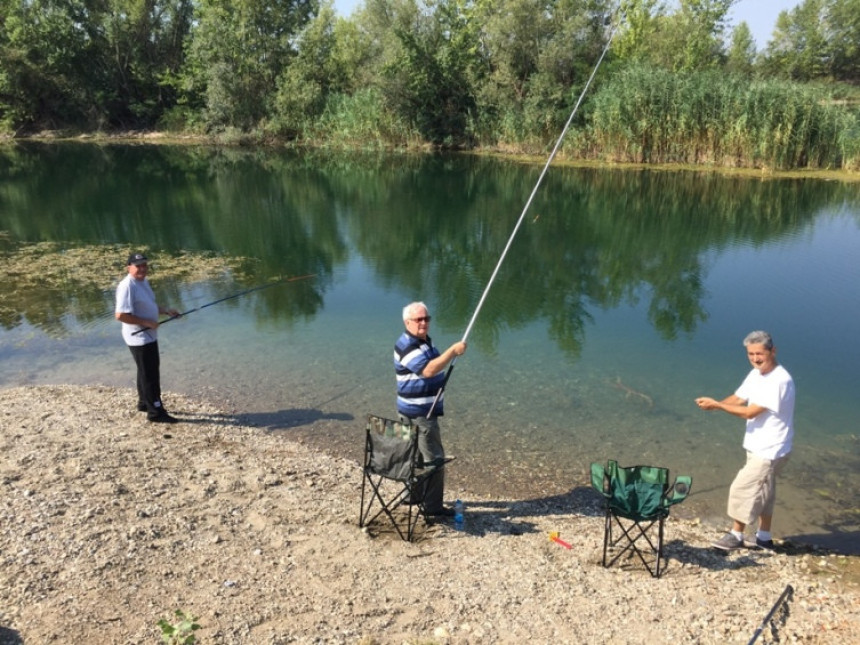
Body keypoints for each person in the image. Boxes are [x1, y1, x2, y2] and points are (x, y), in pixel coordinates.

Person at [696, 330, 795, 551]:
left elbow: (751, 412)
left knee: (742, 488)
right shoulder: (756, 374)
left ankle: (736, 535)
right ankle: (764, 538)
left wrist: (718, 406)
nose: (755, 358)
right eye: (751, 354)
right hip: (761, 446)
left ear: (773, 351)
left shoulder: (779, 381)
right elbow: (740, 398)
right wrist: (715, 404)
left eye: (760, 353)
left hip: (770, 450)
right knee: (764, 492)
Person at [394, 301, 467, 518]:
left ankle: (413, 495)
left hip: (413, 410)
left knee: (414, 455)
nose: (424, 323)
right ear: (407, 322)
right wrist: (452, 351)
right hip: (419, 414)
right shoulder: (407, 344)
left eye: (426, 318)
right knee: (434, 459)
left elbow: (432, 365)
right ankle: (433, 507)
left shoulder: (422, 342)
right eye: (419, 320)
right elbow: (428, 370)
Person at [115, 252, 181, 424]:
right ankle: (156, 412)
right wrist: (146, 323)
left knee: (144, 370)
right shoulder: (127, 286)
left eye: (144, 265)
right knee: (150, 374)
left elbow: (148, 305)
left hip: (147, 334)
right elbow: (121, 315)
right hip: (139, 337)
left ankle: (144, 402)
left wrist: (166, 310)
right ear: (129, 267)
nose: (142, 268)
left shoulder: (142, 282)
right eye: (138, 266)